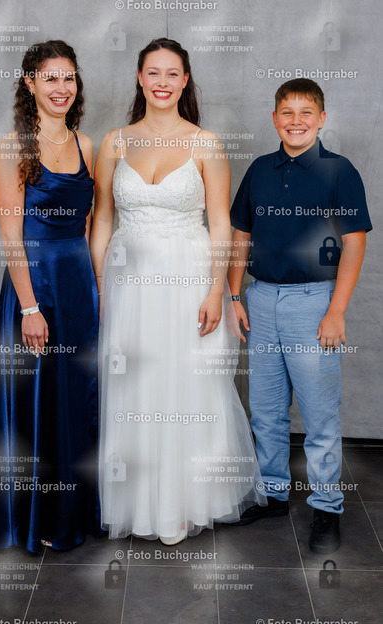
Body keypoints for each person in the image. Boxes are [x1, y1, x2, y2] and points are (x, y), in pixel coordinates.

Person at [90, 37, 266, 545]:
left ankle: (186, 502)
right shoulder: (115, 142)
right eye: (154, 72)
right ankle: (136, 502)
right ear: (140, 78)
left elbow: (221, 225)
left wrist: (217, 292)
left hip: (190, 280)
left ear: (185, 80)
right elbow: (102, 220)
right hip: (127, 284)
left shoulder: (206, 144)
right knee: (135, 387)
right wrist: (100, 286)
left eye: (173, 73)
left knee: (187, 387)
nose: (162, 82)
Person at [228, 78, 372, 553]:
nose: (295, 121)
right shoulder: (260, 169)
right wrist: (234, 295)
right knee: (266, 409)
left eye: (305, 112)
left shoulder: (338, 171)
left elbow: (354, 242)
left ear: (321, 118)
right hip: (261, 298)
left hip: (314, 302)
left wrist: (336, 310)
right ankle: (273, 492)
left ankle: (327, 505)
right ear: (274, 119)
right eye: (286, 112)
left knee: (318, 412)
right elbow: (241, 234)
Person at [0, 40, 101, 552]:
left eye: (68, 77)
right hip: (31, 287)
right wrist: (30, 308)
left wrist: (94, 287)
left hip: (77, 286)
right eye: (50, 77)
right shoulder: (14, 147)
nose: (61, 87)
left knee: (75, 398)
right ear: (29, 83)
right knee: (34, 399)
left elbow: (90, 224)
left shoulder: (86, 145)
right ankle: (31, 522)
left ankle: (69, 517)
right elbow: (11, 237)